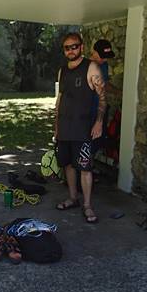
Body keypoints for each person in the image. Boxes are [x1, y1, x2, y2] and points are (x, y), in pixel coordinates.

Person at [54, 32, 107, 224]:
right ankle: (72, 198)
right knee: (68, 165)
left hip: (83, 127)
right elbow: (60, 99)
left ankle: (87, 205)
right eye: (67, 48)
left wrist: (99, 122)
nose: (71, 50)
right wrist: (56, 126)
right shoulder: (62, 70)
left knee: (85, 167)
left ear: (82, 47)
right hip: (64, 127)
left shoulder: (91, 67)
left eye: (74, 46)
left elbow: (102, 97)